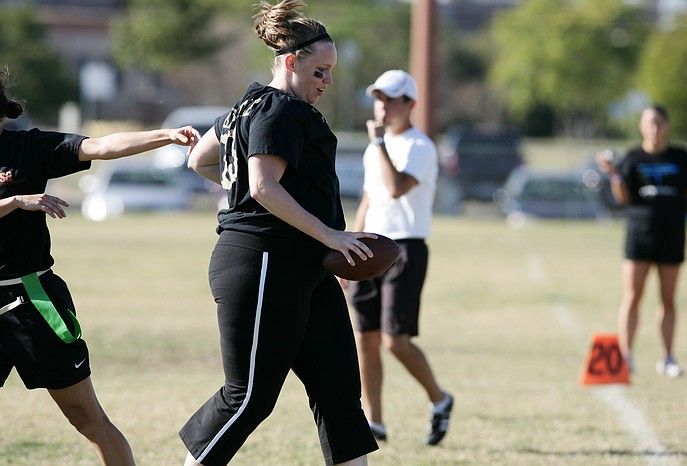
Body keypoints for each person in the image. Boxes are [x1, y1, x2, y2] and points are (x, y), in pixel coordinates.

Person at [179, 2, 378, 465]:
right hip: (263, 260)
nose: (327, 82)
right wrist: (330, 234)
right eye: (320, 71)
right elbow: (262, 185)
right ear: (291, 62)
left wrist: (319, 237)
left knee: (339, 392)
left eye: (330, 73)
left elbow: (202, 160)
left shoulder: (247, 103)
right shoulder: (279, 109)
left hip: (302, 264)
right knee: (249, 396)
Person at [0, 67, 199, 465]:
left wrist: (164, 136)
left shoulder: (28, 148)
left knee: (86, 417)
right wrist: (16, 202)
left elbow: (100, 146)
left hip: (32, 299)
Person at [347, 70, 453, 446]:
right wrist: (349, 246)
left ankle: (440, 400)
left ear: (410, 103)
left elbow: (395, 189)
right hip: (371, 245)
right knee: (366, 337)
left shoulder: (419, 146)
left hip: (406, 248)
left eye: (391, 99)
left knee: (396, 339)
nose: (383, 106)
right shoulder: (373, 148)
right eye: (379, 98)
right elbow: (369, 199)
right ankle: (374, 421)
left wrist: (379, 146)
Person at [596, 104, 687, 378]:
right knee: (632, 296)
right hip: (639, 236)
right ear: (641, 126)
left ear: (667, 125)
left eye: (659, 122)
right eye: (650, 123)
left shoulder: (681, 157)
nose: (655, 128)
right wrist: (614, 174)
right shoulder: (632, 158)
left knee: (668, 299)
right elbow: (623, 199)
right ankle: (625, 357)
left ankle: (667, 358)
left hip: (672, 235)